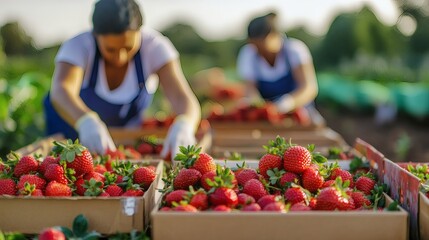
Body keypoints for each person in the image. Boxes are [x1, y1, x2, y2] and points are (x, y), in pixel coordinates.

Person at [44, 0, 201, 158]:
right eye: (110, 49)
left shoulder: (155, 48)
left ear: (140, 31)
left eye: (128, 47)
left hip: (122, 148)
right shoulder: (78, 46)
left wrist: (185, 124)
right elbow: (61, 90)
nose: (120, 58)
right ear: (96, 35)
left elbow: (182, 97)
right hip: (69, 143)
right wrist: (85, 122)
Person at [236, 12, 324, 125]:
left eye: (262, 46)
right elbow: (250, 88)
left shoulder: (295, 50)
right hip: (270, 121)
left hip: (301, 116)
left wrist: (287, 103)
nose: (259, 51)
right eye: (255, 46)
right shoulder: (248, 54)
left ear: (274, 36)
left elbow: (309, 88)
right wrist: (260, 106)